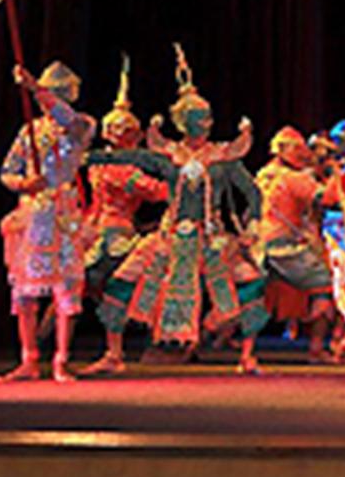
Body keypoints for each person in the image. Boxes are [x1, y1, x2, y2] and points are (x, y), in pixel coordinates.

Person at [84, 45, 267, 375]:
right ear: (184, 122)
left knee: (252, 285)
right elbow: (130, 157)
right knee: (119, 283)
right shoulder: (168, 154)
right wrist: (91, 157)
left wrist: (252, 226)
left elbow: (252, 192)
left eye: (209, 116)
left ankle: (248, 356)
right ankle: (113, 355)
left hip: (212, 240)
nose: (207, 122)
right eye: (200, 117)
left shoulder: (223, 156)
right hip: (168, 237)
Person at [0, 62, 96, 382]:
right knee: (24, 292)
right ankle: (29, 358)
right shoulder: (29, 131)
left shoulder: (82, 124)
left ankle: (61, 360)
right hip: (32, 214)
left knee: (65, 288)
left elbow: (66, 119)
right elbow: (7, 171)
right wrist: (24, 184)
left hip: (62, 213)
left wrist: (33, 88)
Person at [250, 126, 337, 363]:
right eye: (298, 151)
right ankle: (317, 349)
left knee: (255, 294)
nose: (304, 155)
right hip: (283, 246)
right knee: (328, 283)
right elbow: (327, 198)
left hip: (259, 244)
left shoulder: (264, 174)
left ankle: (221, 341)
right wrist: (340, 174)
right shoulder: (293, 179)